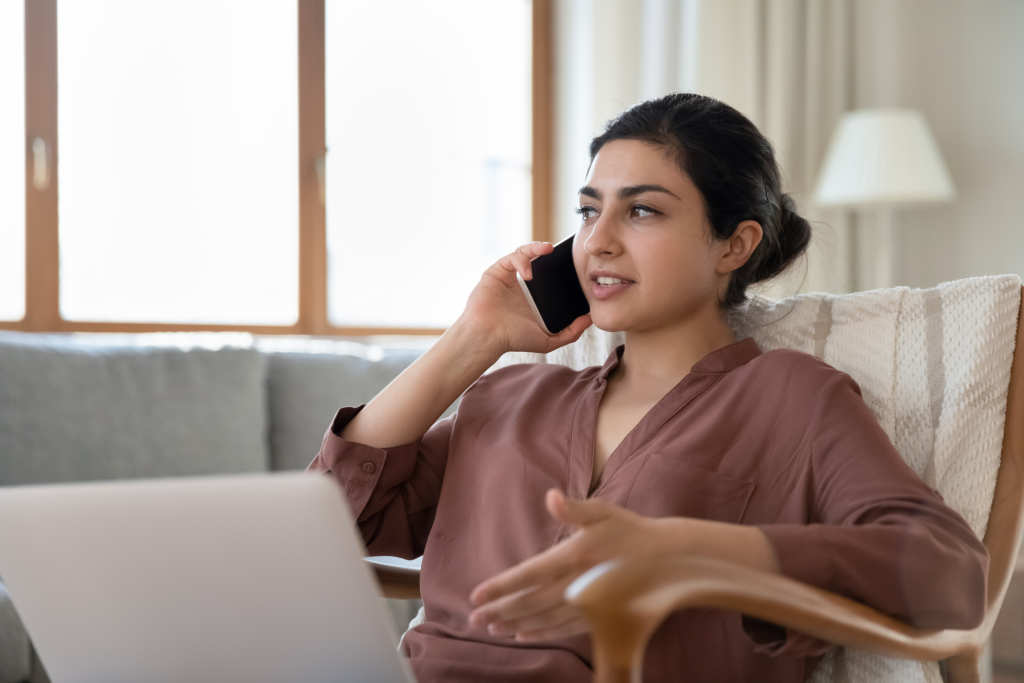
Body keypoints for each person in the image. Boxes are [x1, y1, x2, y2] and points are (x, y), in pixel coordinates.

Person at [307, 93, 987, 682]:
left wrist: (685, 546)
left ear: (734, 245)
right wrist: (471, 340)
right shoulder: (511, 397)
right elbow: (333, 522)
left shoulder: (794, 399)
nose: (596, 242)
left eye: (642, 213)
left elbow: (951, 574)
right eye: (586, 210)